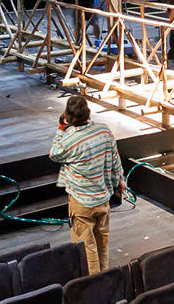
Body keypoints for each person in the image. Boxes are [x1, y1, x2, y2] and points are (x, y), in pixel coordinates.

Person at [49, 93, 125, 273]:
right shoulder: (104, 131)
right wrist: (119, 181)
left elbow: (54, 154)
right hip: (103, 200)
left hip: (81, 203)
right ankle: (105, 280)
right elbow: (115, 161)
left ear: (67, 116)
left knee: (85, 250)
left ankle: (93, 285)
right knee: (102, 244)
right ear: (88, 113)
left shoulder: (69, 140)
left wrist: (61, 129)